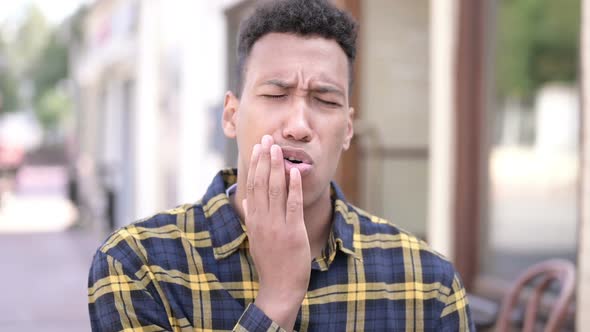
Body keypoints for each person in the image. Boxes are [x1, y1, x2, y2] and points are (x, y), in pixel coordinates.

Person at [88, 0, 474, 330]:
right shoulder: (140, 265)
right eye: (276, 93)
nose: (299, 126)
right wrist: (277, 299)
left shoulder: (425, 284)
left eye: (325, 101)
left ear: (348, 129)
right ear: (232, 115)